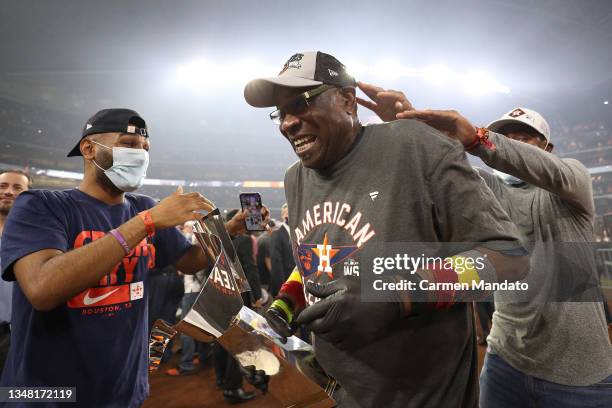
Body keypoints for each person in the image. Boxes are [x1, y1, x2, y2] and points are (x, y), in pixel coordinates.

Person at [244, 51, 529, 407]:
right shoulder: (295, 178)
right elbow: (316, 260)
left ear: (348, 101)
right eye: (281, 113)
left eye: (300, 104)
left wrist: (399, 295)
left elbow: (508, 257)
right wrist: (284, 307)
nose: (287, 123)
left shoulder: (416, 146)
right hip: (335, 390)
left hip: (424, 395)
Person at [358, 85, 612, 407]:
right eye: (508, 137)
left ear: (548, 148)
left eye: (525, 138)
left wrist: (481, 139)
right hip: (506, 360)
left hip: (579, 372)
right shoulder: (487, 186)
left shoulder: (572, 181)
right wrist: (411, 127)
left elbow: (546, 169)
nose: (515, 143)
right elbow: (441, 165)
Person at [0, 108, 249, 408]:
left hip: (124, 390)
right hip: (45, 396)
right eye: (129, 144)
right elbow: (42, 289)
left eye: (145, 148)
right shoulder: (40, 205)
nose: (141, 154)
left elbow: (188, 260)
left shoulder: (142, 205)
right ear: (89, 148)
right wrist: (145, 223)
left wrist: (227, 231)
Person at [0, 169, 31, 375]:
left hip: (13, 334)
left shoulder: (41, 235)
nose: (9, 192)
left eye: (17, 187)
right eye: (3, 186)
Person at [268, 204, 295, 296]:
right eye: (289, 212)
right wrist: (282, 289)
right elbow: (276, 264)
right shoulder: (277, 235)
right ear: (283, 216)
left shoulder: (297, 233)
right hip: (285, 286)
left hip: (296, 284)